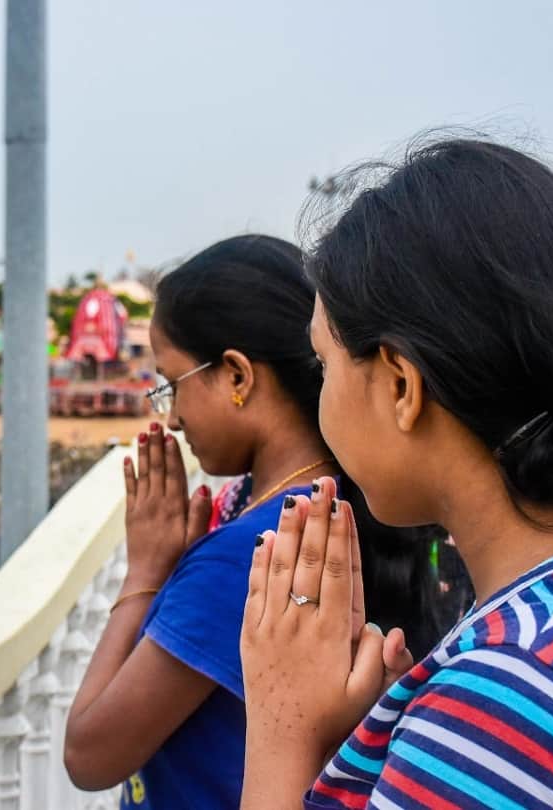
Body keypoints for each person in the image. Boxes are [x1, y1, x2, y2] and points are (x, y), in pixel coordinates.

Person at [240, 137, 553, 808]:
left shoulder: (507, 702)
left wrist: (282, 732)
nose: (321, 395)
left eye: (324, 365)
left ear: (401, 385)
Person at [64, 235, 439, 807]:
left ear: (237, 376)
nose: (172, 419)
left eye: (172, 385)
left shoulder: (251, 554)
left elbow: (88, 755)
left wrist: (145, 569)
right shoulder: (332, 502)